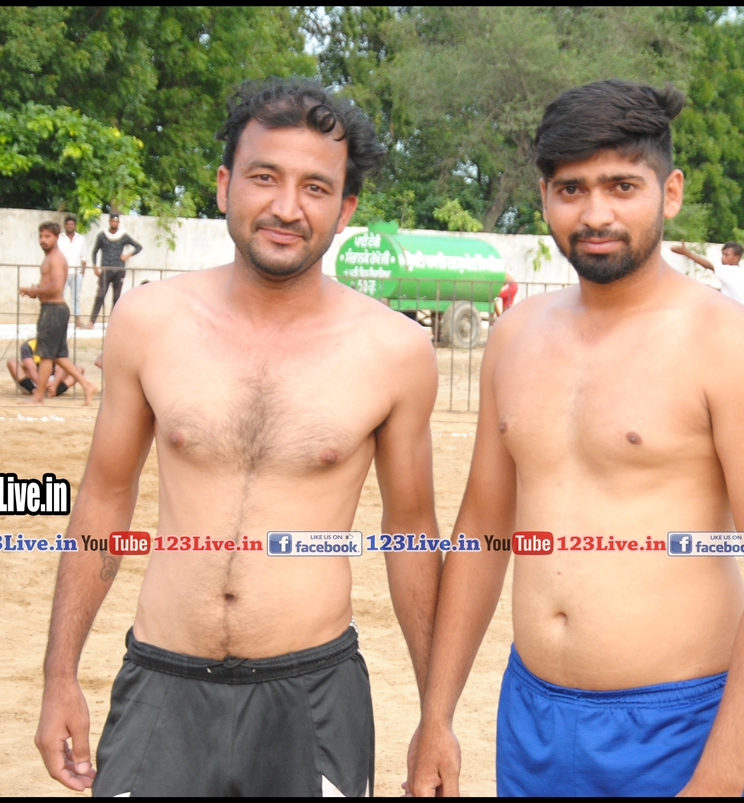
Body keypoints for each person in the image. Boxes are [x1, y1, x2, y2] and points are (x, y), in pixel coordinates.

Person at [34, 78, 442, 797]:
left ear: (346, 208)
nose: (287, 207)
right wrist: (59, 674)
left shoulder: (395, 351)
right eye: (264, 177)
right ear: (225, 185)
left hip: (313, 693)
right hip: (162, 680)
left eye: (316, 187)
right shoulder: (150, 322)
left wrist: (435, 717)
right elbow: (103, 497)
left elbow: (410, 530)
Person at [410, 79, 744, 797]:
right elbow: (482, 530)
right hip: (532, 719)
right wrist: (436, 716)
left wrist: (720, 778)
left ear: (670, 192)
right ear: (545, 197)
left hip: (676, 730)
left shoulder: (727, 345)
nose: (596, 214)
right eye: (572, 189)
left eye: (622, 186)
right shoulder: (515, 337)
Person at [19, 221, 98, 405]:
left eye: (47, 236)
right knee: (58, 355)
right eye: (41, 236)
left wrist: (35, 291)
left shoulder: (55, 258)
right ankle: (87, 385)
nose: (43, 240)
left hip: (53, 310)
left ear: (56, 237)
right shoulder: (50, 257)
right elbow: (50, 285)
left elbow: (56, 287)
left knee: (46, 354)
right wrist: (33, 291)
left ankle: (38, 396)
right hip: (53, 309)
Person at [87, 212, 142, 329]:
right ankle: (92, 321)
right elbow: (94, 251)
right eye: (112, 221)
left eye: (116, 221)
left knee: (116, 297)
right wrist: (95, 267)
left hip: (119, 269)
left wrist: (127, 256)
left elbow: (138, 247)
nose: (114, 223)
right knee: (100, 295)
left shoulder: (123, 236)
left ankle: (113, 322)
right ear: (109, 221)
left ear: (118, 222)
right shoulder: (102, 235)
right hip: (106, 269)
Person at [672, 240, 744, 308]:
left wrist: (687, 253)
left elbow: (708, 265)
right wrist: (711, 289)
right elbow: (733, 293)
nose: (722, 257)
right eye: (723, 254)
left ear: (736, 258)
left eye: (726, 255)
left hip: (734, 314)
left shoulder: (729, 270)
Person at [7, 338, 83, 396]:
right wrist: (42, 384)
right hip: (33, 380)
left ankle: (56, 391)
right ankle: (33, 390)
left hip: (54, 381)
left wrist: (54, 385)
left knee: (79, 369)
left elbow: (60, 367)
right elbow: (30, 367)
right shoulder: (28, 345)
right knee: (12, 362)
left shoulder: (57, 345)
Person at [58, 214, 89, 327]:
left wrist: (82, 272)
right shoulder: (59, 238)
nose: (70, 226)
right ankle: (59, 320)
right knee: (60, 297)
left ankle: (77, 321)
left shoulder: (81, 239)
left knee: (75, 298)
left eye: (72, 224)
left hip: (77, 273)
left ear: (75, 226)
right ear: (65, 225)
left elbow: (84, 257)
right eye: (68, 224)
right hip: (63, 273)